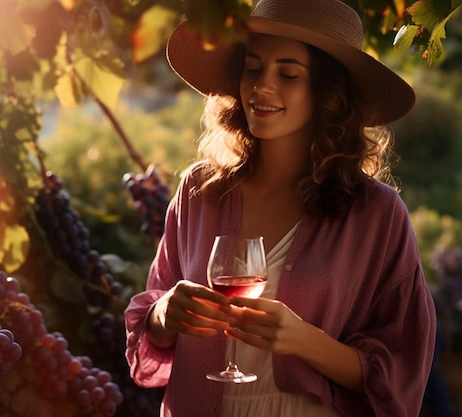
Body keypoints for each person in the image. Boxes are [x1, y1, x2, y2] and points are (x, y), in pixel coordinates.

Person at [124, 0, 437, 415]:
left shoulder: (376, 214)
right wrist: (164, 314)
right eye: (253, 68)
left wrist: (303, 340)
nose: (261, 86)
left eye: (288, 74)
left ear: (328, 93)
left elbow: (402, 367)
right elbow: (151, 321)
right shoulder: (200, 192)